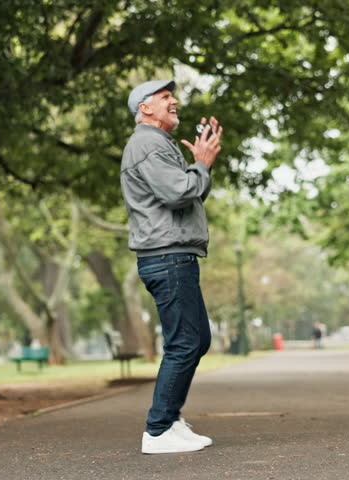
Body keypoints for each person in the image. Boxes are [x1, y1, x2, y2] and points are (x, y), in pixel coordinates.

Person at [120, 79, 223, 454]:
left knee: (197, 340)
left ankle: (170, 420)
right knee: (184, 342)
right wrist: (202, 164)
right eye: (165, 98)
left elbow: (189, 190)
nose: (174, 101)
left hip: (174, 255)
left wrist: (200, 167)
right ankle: (158, 430)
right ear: (145, 108)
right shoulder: (146, 143)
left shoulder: (157, 144)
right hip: (166, 257)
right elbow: (179, 193)